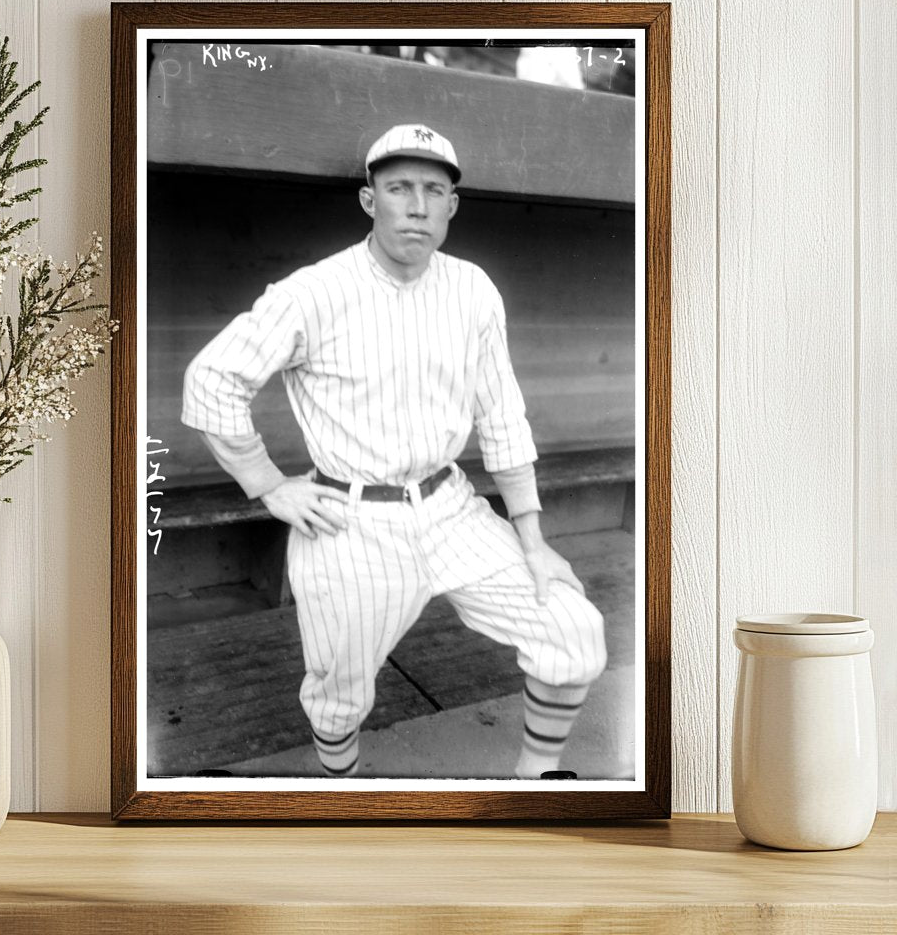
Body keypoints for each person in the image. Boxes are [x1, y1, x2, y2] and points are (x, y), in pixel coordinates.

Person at [181, 123, 607, 778]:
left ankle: (538, 781)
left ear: (452, 207)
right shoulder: (313, 292)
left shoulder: (472, 290)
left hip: (449, 506)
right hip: (351, 518)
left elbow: (502, 412)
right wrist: (267, 484)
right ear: (368, 199)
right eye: (399, 187)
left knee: (572, 631)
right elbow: (212, 379)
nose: (417, 204)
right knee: (338, 700)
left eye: (434, 190)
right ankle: (346, 803)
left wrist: (533, 536)